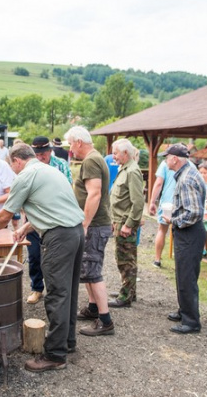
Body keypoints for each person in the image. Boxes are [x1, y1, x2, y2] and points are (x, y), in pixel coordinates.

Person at [0, 144, 84, 372]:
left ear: (17, 160)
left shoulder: (26, 175)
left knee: (56, 294)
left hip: (59, 237)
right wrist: (27, 228)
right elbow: (50, 207)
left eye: (12, 165)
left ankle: (55, 356)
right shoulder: (50, 170)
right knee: (69, 291)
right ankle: (66, 342)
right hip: (75, 232)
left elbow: (5, 214)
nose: (13, 170)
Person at [64, 126, 115, 336]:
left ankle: (105, 320)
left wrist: (84, 224)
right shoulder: (95, 158)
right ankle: (93, 308)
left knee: (93, 273)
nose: (70, 150)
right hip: (95, 224)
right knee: (88, 268)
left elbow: (94, 194)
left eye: (70, 144)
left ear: (78, 142)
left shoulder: (91, 160)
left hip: (94, 225)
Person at [162, 144, 207, 335]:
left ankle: (191, 321)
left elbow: (194, 213)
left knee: (187, 277)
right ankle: (184, 311)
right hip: (189, 232)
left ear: (175, 159)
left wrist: (173, 220)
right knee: (183, 273)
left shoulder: (187, 178)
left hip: (189, 232)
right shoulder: (187, 173)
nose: (165, 161)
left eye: (167, 157)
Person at [23, 136, 73, 305]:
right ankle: (37, 288)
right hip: (34, 220)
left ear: (50, 151)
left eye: (43, 153)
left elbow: (67, 190)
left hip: (55, 220)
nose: (40, 157)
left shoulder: (61, 165)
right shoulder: (29, 166)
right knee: (34, 255)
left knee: (54, 258)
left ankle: (55, 291)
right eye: (37, 153)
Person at [109, 139, 144, 309]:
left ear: (125, 153)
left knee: (126, 260)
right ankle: (129, 290)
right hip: (119, 221)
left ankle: (126, 296)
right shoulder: (125, 168)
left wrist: (129, 224)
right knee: (123, 258)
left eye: (115, 153)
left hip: (125, 224)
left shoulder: (132, 171)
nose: (113, 156)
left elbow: (137, 202)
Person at [148, 156, 185, 268]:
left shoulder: (164, 164)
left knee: (162, 230)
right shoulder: (190, 165)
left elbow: (159, 183)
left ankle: (157, 259)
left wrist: (152, 201)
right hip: (182, 202)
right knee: (181, 231)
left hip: (167, 202)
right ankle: (180, 260)